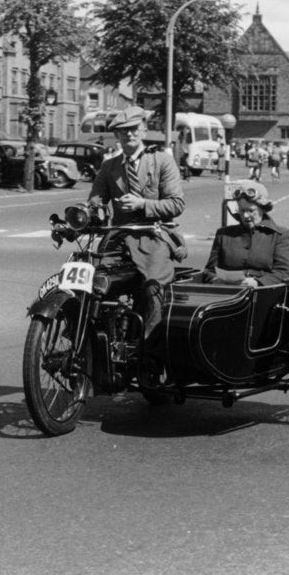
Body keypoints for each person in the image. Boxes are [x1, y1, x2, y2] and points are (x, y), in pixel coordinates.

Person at [88, 106, 185, 380]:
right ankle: (95, 350)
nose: (129, 134)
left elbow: (177, 204)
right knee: (90, 283)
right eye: (123, 130)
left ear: (143, 130)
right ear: (117, 135)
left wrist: (144, 203)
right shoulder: (109, 167)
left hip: (153, 235)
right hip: (118, 238)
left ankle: (150, 362)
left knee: (153, 288)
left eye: (134, 129)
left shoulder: (162, 161)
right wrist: (89, 212)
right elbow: (95, 200)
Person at [203, 181, 289, 288]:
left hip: (261, 293)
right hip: (227, 291)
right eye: (242, 210)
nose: (245, 215)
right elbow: (210, 271)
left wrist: (258, 283)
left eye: (251, 210)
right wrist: (216, 280)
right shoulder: (223, 235)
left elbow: (284, 272)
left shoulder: (279, 235)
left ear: (262, 209)